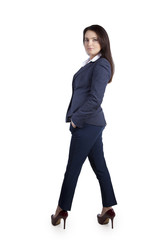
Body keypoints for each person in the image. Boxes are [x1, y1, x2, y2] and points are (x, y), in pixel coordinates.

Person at [51, 24, 117, 229]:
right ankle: (108, 208)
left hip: (87, 124)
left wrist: (76, 119)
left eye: (95, 39)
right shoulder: (90, 63)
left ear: (103, 41)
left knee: (72, 168)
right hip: (93, 124)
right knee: (100, 167)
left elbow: (95, 99)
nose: (90, 43)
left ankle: (61, 210)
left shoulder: (102, 64)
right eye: (86, 39)